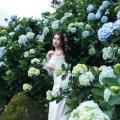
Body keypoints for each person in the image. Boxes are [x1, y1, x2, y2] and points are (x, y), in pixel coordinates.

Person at [45, 31, 71, 120]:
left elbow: (51, 67)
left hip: (61, 81)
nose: (55, 41)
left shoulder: (58, 53)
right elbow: (51, 69)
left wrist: (48, 61)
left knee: (58, 105)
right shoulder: (56, 52)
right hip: (58, 80)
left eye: (58, 39)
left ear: (62, 42)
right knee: (57, 104)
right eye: (54, 38)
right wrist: (49, 56)